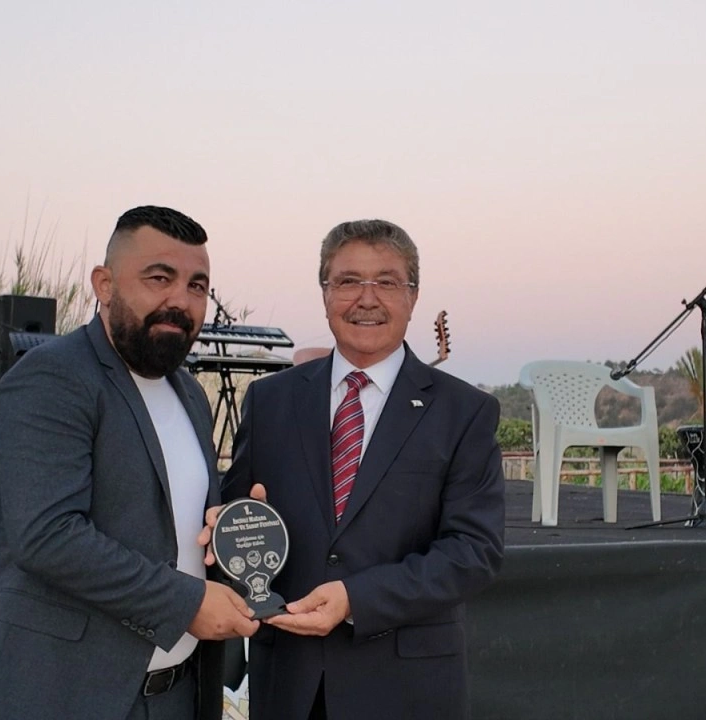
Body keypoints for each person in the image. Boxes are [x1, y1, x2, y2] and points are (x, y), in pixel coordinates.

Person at [0, 206, 260, 720]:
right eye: (159, 278)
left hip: (177, 696)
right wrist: (187, 604)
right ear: (104, 284)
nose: (180, 300)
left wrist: (236, 524)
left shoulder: (189, 393)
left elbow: (171, 522)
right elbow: (48, 536)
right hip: (64, 695)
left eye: (197, 286)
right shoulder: (52, 377)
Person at [211, 219, 505, 720]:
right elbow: (233, 521)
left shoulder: (465, 412)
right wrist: (229, 530)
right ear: (325, 293)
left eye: (387, 282)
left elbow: (473, 552)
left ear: (412, 296)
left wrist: (355, 599)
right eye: (348, 281)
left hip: (407, 688)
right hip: (288, 682)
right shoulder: (269, 401)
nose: (366, 299)